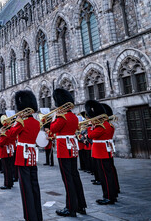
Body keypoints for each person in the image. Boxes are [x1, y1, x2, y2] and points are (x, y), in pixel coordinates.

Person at [0, 90, 43, 221]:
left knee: (26, 188)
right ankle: (37, 215)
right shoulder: (36, 123)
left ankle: (30, 216)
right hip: (32, 156)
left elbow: (10, 135)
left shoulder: (21, 122)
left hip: (22, 156)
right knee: (34, 185)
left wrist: (4, 131)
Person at [50, 88, 86, 217]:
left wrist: (54, 117)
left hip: (64, 149)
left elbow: (53, 128)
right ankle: (81, 205)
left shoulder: (61, 117)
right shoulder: (74, 117)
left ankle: (71, 207)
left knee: (67, 179)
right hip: (72, 148)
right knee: (75, 176)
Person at [85, 100, 118, 205]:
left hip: (101, 153)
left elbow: (90, 135)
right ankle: (112, 194)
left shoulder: (101, 126)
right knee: (109, 174)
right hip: (106, 152)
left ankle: (108, 196)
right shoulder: (108, 125)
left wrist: (90, 126)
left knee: (104, 176)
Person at [0, 113, 15, 190]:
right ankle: (10, 182)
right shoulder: (9, 131)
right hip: (9, 151)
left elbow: (1, 142)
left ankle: (7, 184)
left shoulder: (5, 133)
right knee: (9, 168)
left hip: (4, 151)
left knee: (6, 169)